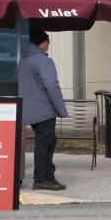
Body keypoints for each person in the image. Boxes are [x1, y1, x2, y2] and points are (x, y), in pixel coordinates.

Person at [15, 28, 68, 191]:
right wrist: (61, 109)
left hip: (28, 109)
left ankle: (48, 176)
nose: (49, 45)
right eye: (48, 42)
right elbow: (52, 86)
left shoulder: (23, 60)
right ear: (42, 43)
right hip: (43, 110)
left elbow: (16, 80)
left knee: (48, 142)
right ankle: (41, 179)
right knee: (45, 143)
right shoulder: (43, 61)